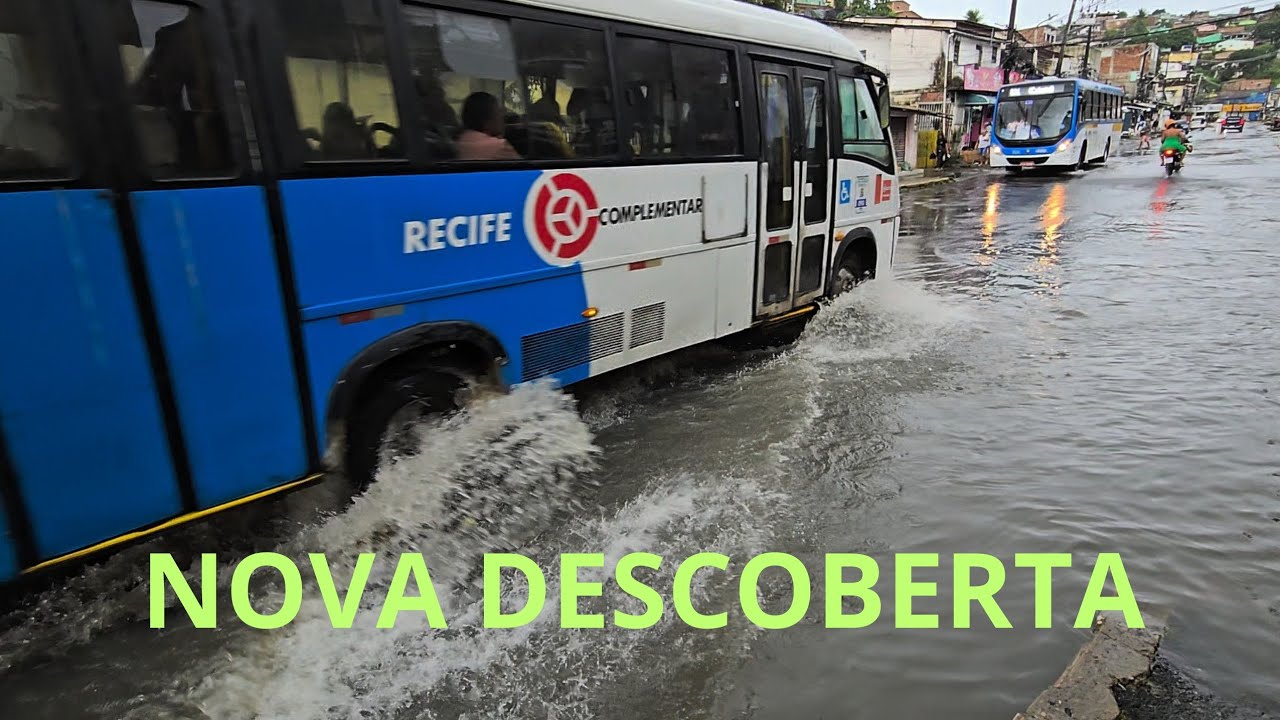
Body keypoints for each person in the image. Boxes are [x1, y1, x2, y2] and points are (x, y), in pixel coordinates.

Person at [456, 92, 520, 161]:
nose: (503, 117)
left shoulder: (459, 141)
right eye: (498, 112)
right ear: (487, 121)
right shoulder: (499, 146)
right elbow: (524, 166)